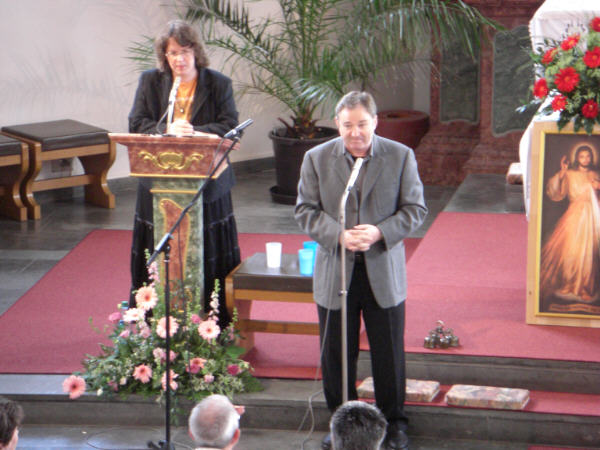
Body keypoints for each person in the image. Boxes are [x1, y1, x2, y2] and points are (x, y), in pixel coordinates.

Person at [295, 91, 427, 450]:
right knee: (337, 354)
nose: (355, 133)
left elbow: (415, 209)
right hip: (336, 271)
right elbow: (305, 210)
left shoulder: (400, 156)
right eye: (347, 125)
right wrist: (338, 235)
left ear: (375, 122)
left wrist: (379, 232)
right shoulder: (316, 158)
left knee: (388, 353)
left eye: (362, 124)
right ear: (337, 124)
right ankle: (342, 425)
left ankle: (394, 424)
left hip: (381, 270)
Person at [128, 20, 240, 325]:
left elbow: (231, 126)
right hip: (157, 181)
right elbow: (136, 122)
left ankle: (212, 318)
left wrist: (194, 131)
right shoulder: (151, 81)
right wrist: (166, 131)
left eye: (185, 51)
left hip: (208, 182)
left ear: (196, 52)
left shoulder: (218, 84)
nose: (179, 59)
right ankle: (153, 317)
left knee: (207, 248)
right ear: (164, 55)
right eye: (173, 53)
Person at [540, 143, 600, 305]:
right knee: (570, 250)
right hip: (574, 214)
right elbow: (555, 192)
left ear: (592, 158)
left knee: (588, 253)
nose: (585, 159)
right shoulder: (570, 174)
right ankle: (569, 283)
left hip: (592, 216)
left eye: (588, 156)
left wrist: (597, 188)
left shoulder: (595, 174)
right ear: (577, 158)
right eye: (582, 156)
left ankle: (585, 288)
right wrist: (562, 172)